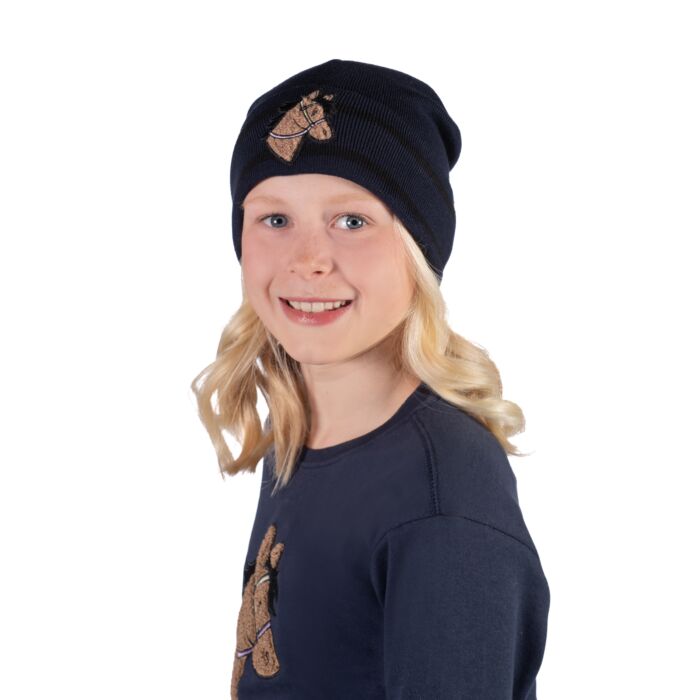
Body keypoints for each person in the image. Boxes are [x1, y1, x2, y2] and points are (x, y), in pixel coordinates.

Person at [191, 58, 550, 699]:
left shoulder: (441, 497)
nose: (308, 260)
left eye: (351, 221)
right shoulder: (298, 434)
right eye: (275, 219)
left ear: (418, 251)